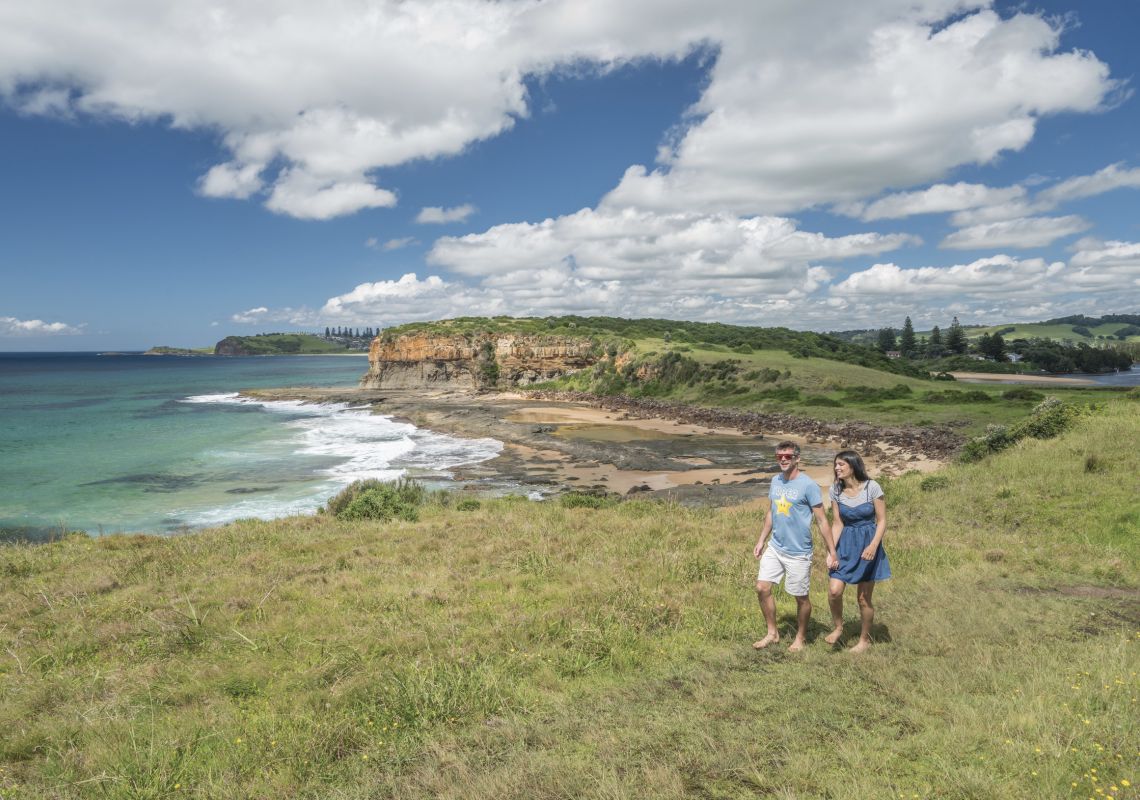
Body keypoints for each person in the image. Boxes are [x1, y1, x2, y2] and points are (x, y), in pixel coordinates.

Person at [753, 441, 836, 652]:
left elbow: (822, 521)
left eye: (787, 456)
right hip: (775, 546)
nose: (783, 459)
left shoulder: (809, 486)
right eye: (779, 456)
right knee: (762, 588)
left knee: (800, 598)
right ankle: (772, 633)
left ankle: (800, 637)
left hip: (799, 552)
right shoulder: (775, 481)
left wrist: (831, 552)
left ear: (797, 459)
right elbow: (771, 513)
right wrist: (762, 540)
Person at [824, 450, 891, 653]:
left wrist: (872, 546)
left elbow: (881, 521)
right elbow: (837, 523)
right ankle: (839, 627)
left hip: (868, 544)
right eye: (836, 465)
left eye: (841, 464)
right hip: (846, 544)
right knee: (834, 591)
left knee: (863, 598)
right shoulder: (835, 489)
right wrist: (831, 552)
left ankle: (864, 640)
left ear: (853, 466)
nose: (837, 468)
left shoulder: (872, 487)